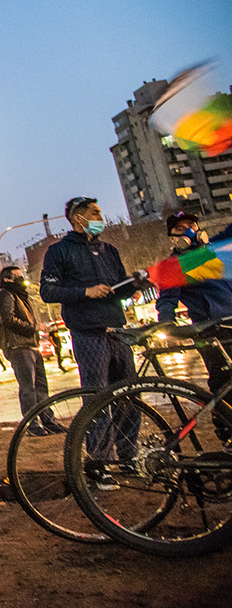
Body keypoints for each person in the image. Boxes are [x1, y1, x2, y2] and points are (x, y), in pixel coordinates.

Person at [40, 196, 145, 487]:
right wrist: (85, 292)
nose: (100, 216)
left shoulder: (109, 250)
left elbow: (119, 290)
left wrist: (134, 285)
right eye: (95, 212)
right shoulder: (58, 252)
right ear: (77, 218)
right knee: (98, 399)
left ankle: (128, 456)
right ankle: (99, 463)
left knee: (129, 395)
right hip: (88, 333)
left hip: (118, 331)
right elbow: (48, 292)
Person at [155, 211, 232, 436]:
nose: (188, 230)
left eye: (191, 225)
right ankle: (227, 436)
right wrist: (166, 325)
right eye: (180, 228)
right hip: (211, 331)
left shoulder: (214, 249)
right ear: (172, 237)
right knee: (222, 384)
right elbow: (166, 300)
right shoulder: (174, 264)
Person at [0, 266, 63, 436]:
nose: (21, 278)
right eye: (17, 276)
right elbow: (8, 319)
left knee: (41, 386)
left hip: (31, 345)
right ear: (7, 279)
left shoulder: (20, 296)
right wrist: (34, 327)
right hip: (19, 347)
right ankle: (32, 426)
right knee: (28, 389)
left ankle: (48, 421)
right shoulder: (6, 295)